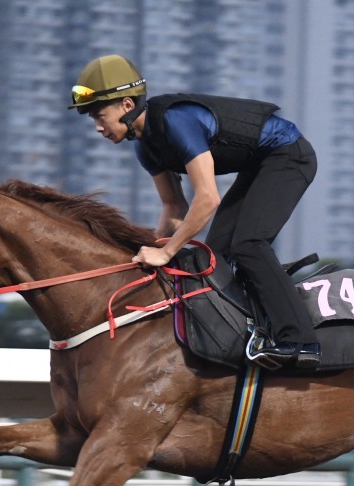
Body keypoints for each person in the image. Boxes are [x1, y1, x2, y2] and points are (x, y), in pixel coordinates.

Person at [69, 54, 320, 369]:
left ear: (127, 106)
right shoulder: (144, 147)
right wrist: (150, 247)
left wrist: (169, 251)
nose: (97, 127)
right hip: (259, 165)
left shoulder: (176, 121)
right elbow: (175, 208)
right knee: (214, 256)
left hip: (289, 156)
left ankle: (301, 342)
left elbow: (208, 199)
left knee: (248, 244)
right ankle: (253, 328)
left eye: (99, 115)